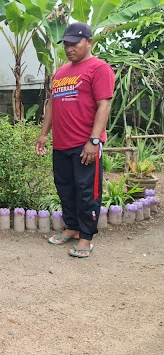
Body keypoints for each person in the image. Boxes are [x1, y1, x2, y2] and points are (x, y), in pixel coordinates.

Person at [35, 23, 114, 258]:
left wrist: (94, 141)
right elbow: (52, 104)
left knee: (86, 191)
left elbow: (104, 105)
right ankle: (71, 227)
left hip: (85, 144)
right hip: (61, 144)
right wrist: (43, 134)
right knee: (65, 188)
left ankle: (86, 237)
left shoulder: (99, 68)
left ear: (89, 42)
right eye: (66, 44)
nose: (69, 48)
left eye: (75, 43)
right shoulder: (61, 71)